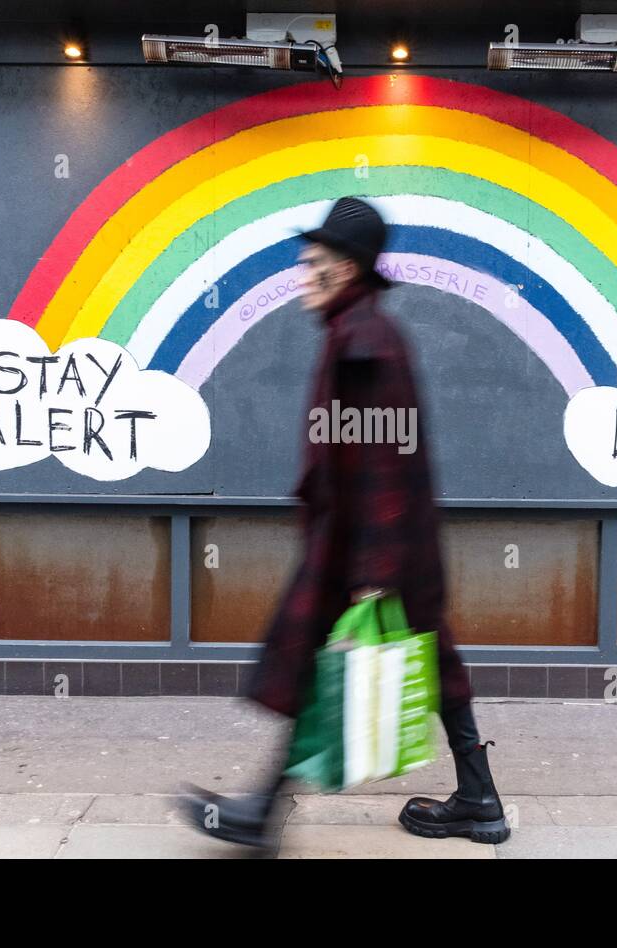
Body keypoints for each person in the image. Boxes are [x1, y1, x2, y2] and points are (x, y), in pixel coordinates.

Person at [180, 197, 508, 851]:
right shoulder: (357, 331)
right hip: (375, 546)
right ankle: (478, 800)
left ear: (345, 268)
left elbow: (386, 462)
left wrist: (372, 576)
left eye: (314, 262)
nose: (303, 272)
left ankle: (262, 814)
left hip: (368, 550)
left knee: (316, 665)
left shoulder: (363, 341)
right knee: (428, 665)